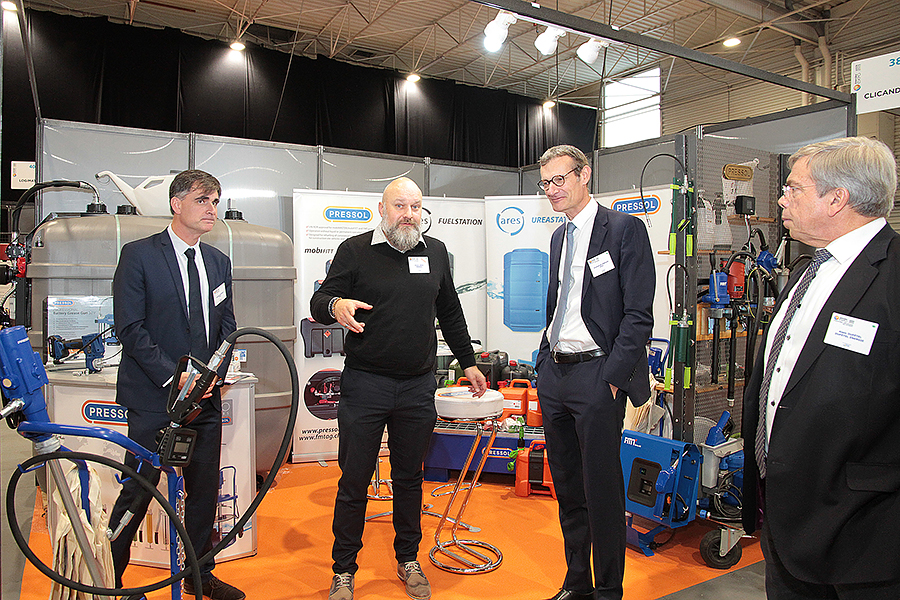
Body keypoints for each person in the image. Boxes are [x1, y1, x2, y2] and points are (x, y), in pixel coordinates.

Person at [310, 177, 487, 600]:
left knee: (409, 478)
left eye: (415, 207)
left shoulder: (435, 252)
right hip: (365, 385)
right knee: (354, 480)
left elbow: (450, 311)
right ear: (382, 209)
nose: (409, 215)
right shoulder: (355, 250)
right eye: (400, 206)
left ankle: (408, 559)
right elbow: (321, 301)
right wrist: (336, 305)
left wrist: (469, 362)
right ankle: (343, 569)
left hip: (417, 388)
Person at [742, 136, 900, 599]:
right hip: (787, 522)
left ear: (837, 199)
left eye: (794, 188)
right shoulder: (807, 271)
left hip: (866, 537)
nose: (781, 199)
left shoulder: (893, 275)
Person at [109, 169, 242, 600]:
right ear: (176, 203)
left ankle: (199, 574)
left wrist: (213, 376)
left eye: (215, 201)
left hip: (204, 400)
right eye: (203, 200)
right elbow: (130, 328)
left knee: (204, 491)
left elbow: (227, 328)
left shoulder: (218, 262)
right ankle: (109, 578)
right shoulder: (139, 255)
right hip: (155, 398)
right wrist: (175, 376)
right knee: (139, 489)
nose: (212, 209)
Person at [534, 145, 655, 600]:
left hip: (597, 377)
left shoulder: (623, 229)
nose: (551, 190)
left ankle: (608, 591)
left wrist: (612, 377)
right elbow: (559, 306)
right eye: (545, 183)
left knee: (601, 491)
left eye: (559, 179)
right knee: (568, 489)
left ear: (584, 175)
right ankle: (577, 584)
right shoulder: (558, 237)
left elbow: (639, 315)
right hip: (555, 374)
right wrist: (543, 361)